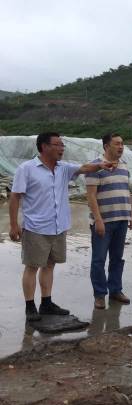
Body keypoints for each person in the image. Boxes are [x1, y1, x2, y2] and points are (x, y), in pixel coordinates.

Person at [9, 132, 114, 322]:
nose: (62, 148)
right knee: (32, 266)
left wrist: (100, 165)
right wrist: (14, 225)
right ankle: (30, 306)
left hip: (58, 227)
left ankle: (46, 303)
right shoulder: (26, 169)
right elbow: (15, 196)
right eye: (57, 145)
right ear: (43, 146)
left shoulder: (63, 168)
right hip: (36, 228)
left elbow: (83, 168)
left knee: (50, 265)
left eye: (62, 145)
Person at [85, 133, 132, 309]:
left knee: (117, 258)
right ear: (106, 146)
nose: (121, 147)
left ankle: (115, 290)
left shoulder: (124, 166)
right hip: (103, 222)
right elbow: (90, 196)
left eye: (122, 144)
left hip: (122, 219)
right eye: (117, 144)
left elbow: (127, 192)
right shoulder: (95, 166)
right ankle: (99, 295)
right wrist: (98, 220)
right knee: (98, 259)